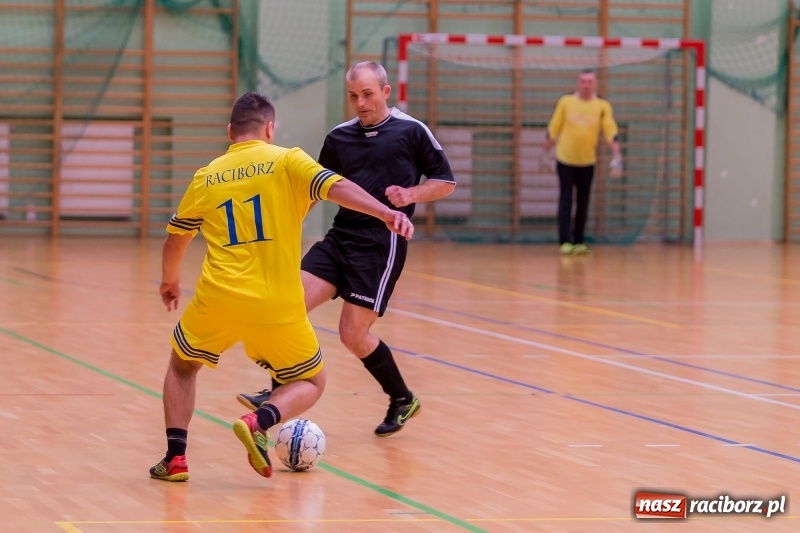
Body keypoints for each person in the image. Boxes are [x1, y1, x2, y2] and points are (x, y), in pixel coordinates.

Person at [149, 91, 414, 482]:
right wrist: (385, 212)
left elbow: (176, 238)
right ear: (270, 128)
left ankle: (175, 459)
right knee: (310, 380)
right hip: (277, 301)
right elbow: (336, 187)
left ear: (229, 132)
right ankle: (259, 419)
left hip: (219, 296)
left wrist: (170, 280)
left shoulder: (207, 175)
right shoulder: (288, 159)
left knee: (183, 367)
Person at [237, 61, 456, 437]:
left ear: (386, 92)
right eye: (354, 96)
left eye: (368, 94)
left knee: (352, 333)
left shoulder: (411, 131)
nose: (361, 103)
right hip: (340, 238)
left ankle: (402, 398)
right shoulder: (339, 137)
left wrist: (411, 194)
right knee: (286, 304)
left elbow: (445, 181)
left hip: (380, 245)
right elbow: (317, 187)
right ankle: (279, 392)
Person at [543, 68, 622, 255]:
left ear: (595, 84)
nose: (586, 85)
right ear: (578, 83)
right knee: (566, 200)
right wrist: (545, 153)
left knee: (583, 201)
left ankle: (579, 241)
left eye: (590, 82)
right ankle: (565, 241)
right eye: (583, 81)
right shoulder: (566, 102)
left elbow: (611, 131)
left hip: (587, 161)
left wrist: (617, 157)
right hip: (565, 159)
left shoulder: (602, 106)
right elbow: (554, 127)